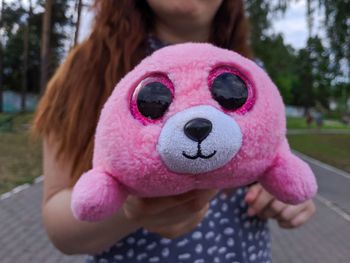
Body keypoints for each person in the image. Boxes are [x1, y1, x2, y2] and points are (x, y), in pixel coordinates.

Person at [32, 1, 316, 262]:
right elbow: (59, 227)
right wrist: (129, 207)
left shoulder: (250, 73)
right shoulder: (86, 70)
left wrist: (285, 196)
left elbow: (277, 158)